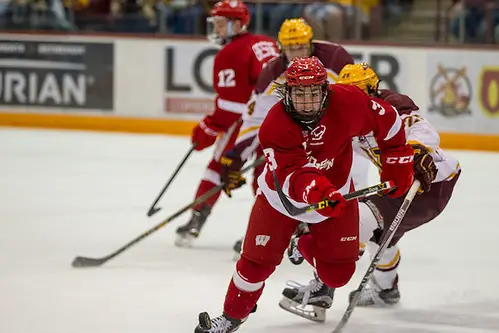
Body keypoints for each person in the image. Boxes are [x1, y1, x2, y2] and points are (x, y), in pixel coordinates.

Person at [194, 56, 415, 333]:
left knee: (338, 275)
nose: (308, 102)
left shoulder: (348, 101)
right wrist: (318, 190)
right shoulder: (274, 125)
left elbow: (390, 121)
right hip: (281, 201)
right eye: (299, 94)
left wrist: (398, 162)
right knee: (255, 265)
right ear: (287, 93)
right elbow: (291, 175)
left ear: (326, 90)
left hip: (337, 195)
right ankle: (231, 316)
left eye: (314, 94)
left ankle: (302, 241)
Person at [279, 63, 461, 322]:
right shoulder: (345, 116)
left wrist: (417, 150)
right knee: (380, 235)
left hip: (428, 182)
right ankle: (386, 289)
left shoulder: (393, 108)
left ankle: (322, 289)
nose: (355, 102)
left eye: (361, 94)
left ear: (373, 91)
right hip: (405, 186)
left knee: (350, 225)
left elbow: (422, 130)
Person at [218, 18, 356, 256]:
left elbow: (355, 101)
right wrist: (236, 155)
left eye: (301, 47)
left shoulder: (335, 59)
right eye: (290, 49)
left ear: (310, 44)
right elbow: (255, 119)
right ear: (281, 48)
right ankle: (286, 225)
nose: (296, 54)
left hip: (339, 132)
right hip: (295, 134)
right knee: (273, 174)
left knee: (352, 171)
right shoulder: (273, 72)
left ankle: (350, 231)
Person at [175, 0, 279, 247]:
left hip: (249, 120)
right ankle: (268, 230)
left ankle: (196, 220)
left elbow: (231, 106)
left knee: (219, 166)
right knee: (266, 175)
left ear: (238, 24)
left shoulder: (230, 53)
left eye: (221, 24)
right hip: (278, 119)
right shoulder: (266, 42)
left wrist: (208, 127)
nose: (217, 29)